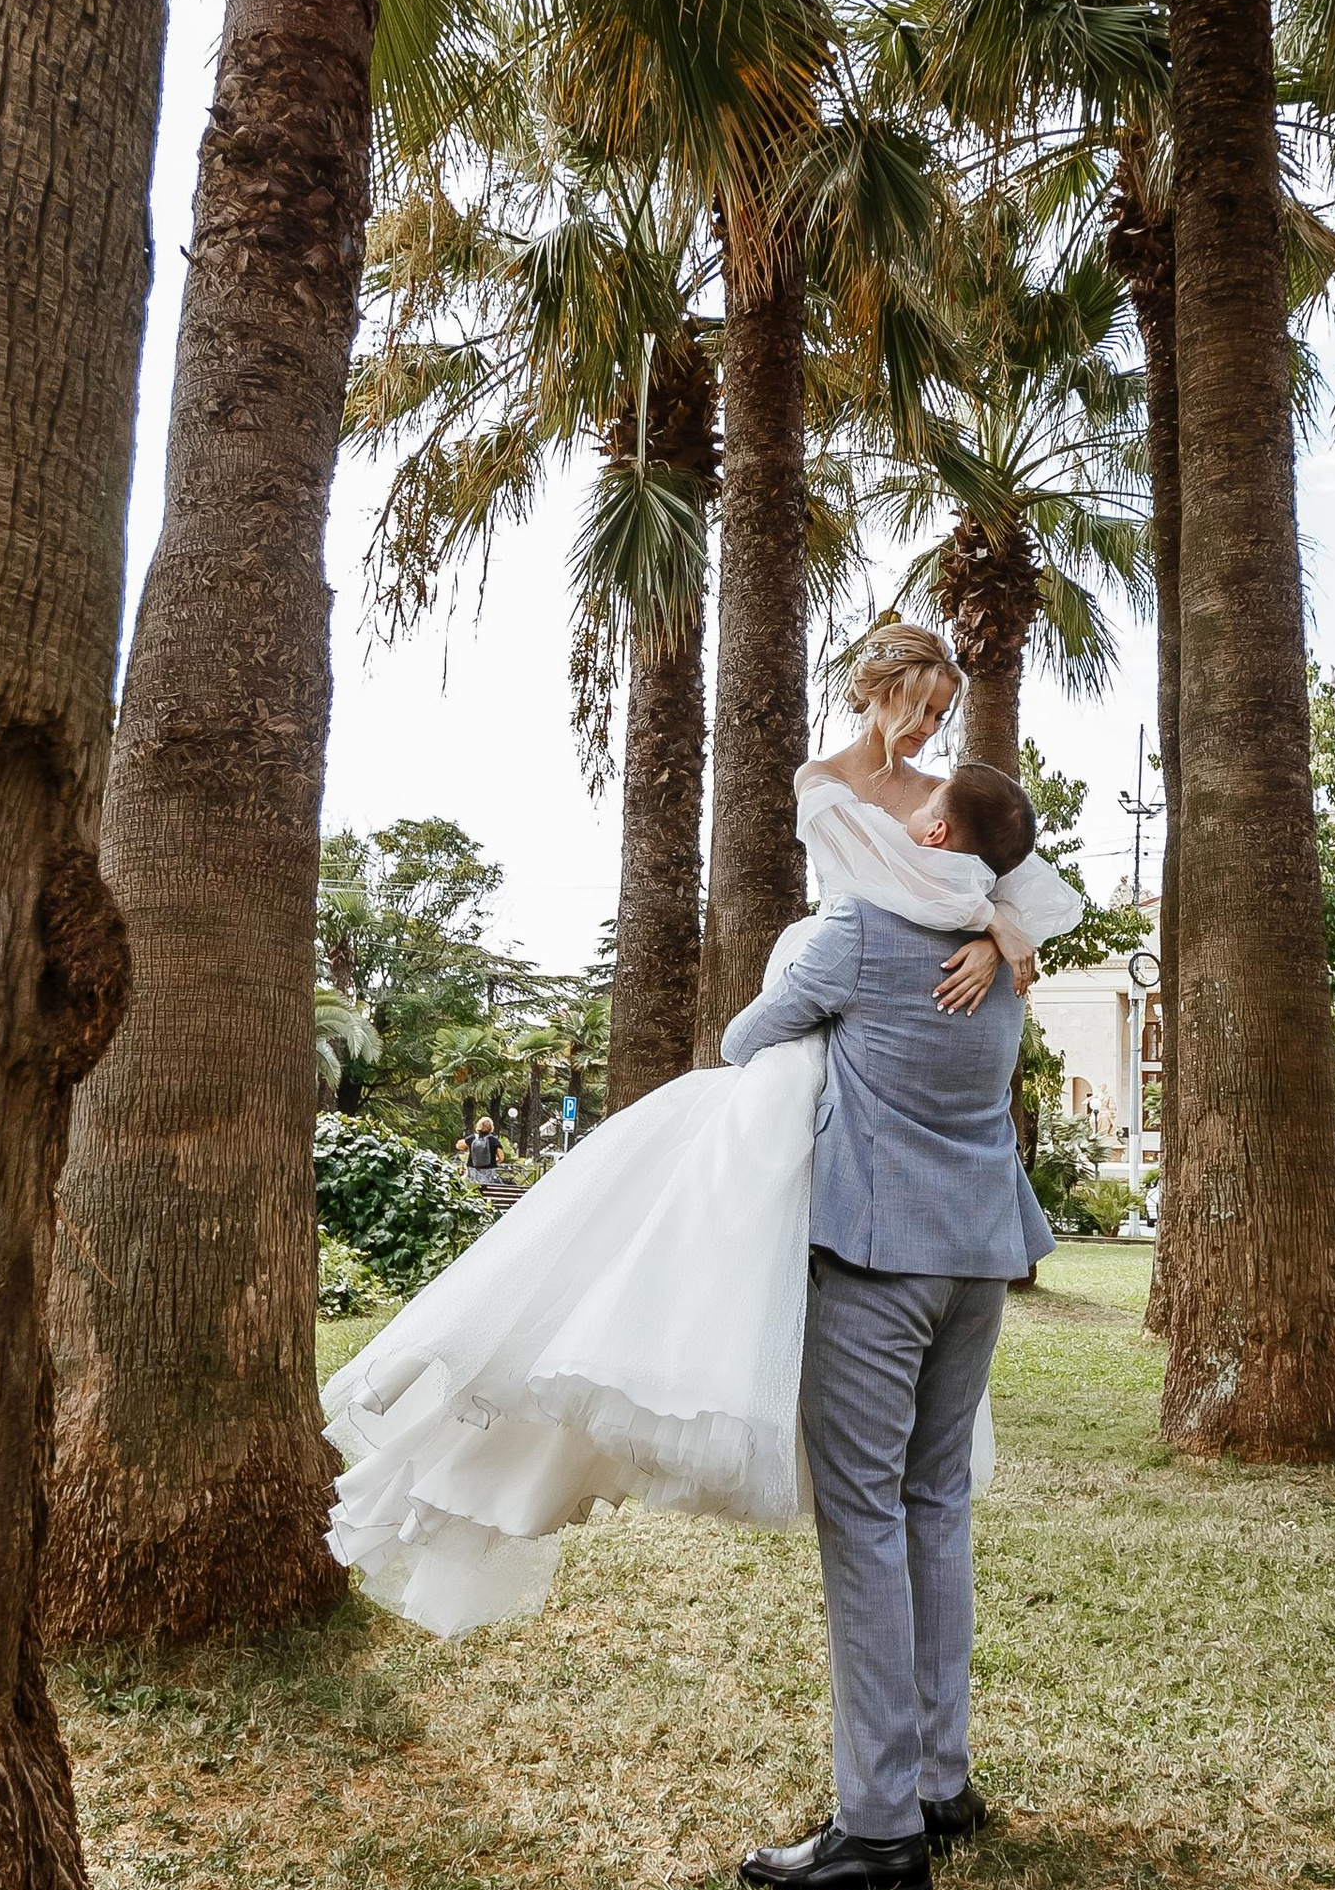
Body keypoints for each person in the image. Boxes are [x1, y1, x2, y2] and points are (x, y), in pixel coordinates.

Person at [320, 624, 1077, 1666]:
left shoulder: (951, 806)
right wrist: (977, 923)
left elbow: (1014, 891)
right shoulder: (832, 787)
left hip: (885, 992)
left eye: (945, 716)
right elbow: (921, 895)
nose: (933, 730)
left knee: (884, 1495)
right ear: (882, 691)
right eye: (924, 708)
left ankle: (893, 1804)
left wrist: (998, 939)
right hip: (864, 993)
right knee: (717, 1170)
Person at [724, 750, 1053, 1890]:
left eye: (922, 806)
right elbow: (1017, 890)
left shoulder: (859, 940)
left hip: (874, 1260)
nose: (903, 809)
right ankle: (937, 1782)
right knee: (934, 1504)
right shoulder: (1004, 953)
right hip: (980, 1257)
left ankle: (875, 1827)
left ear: (935, 837)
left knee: (864, 1519)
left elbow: (741, 1043)